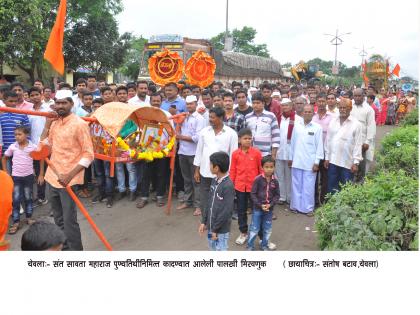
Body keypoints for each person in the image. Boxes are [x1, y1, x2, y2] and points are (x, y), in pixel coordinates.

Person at [40, 91, 94, 250]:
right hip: (52, 177)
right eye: (58, 103)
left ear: (72, 104)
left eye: (64, 103)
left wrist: (69, 175)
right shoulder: (55, 123)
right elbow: (43, 148)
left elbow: (88, 154)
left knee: (69, 220)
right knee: (58, 218)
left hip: (69, 180)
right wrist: (46, 125)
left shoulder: (79, 124)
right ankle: (64, 248)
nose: (60, 106)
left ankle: (76, 254)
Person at [193, 107, 238, 221]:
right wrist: (196, 170)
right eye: (210, 117)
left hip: (222, 174)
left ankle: (219, 222)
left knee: (220, 199)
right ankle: (205, 220)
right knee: (204, 198)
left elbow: (233, 155)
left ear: (221, 118)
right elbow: (199, 151)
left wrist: (231, 174)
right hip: (205, 172)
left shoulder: (231, 133)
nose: (210, 119)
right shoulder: (204, 131)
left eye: (213, 117)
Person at [136, 93, 173, 208]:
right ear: (150, 101)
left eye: (158, 101)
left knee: (161, 173)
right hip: (147, 149)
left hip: (161, 149)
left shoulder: (166, 115)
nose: (156, 102)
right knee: (145, 174)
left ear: (161, 101)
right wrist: (138, 143)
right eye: (154, 101)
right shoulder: (144, 114)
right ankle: (144, 197)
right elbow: (140, 129)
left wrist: (168, 146)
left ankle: (160, 196)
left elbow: (171, 131)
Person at [2, 126, 40, 234]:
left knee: (28, 197)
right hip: (16, 177)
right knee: (16, 199)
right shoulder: (13, 146)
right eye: (15, 135)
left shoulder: (32, 147)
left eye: (19, 134)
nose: (17, 137)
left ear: (26, 135)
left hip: (28, 176)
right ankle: (16, 222)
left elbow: (40, 157)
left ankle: (29, 218)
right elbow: (4, 158)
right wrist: (6, 173)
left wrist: (40, 173)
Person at [230, 128, 262, 245]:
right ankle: (243, 232)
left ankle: (259, 234)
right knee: (241, 211)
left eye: (249, 138)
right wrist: (231, 185)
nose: (248, 141)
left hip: (254, 188)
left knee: (257, 211)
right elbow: (233, 170)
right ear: (239, 140)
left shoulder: (256, 153)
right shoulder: (235, 154)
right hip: (240, 187)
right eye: (245, 138)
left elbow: (261, 170)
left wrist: (262, 186)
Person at [289, 105, 323, 216]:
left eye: (310, 112)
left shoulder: (317, 128)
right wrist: (291, 158)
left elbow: (319, 146)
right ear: (302, 113)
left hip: (310, 162)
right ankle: (295, 206)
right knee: (296, 185)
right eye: (305, 111)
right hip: (297, 161)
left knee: (308, 187)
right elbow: (292, 143)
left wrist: (317, 162)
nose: (307, 113)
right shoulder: (297, 126)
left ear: (313, 113)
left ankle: (308, 209)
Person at [324, 98, 363, 195]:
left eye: (345, 108)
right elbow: (328, 140)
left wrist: (356, 162)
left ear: (350, 109)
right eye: (340, 107)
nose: (342, 110)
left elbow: (358, 144)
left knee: (345, 189)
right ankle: (331, 208)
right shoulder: (333, 121)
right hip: (333, 161)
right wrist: (327, 158)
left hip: (347, 163)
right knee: (331, 187)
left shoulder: (356, 124)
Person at [198, 151, 234, 251]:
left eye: (210, 164)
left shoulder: (228, 186)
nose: (209, 166)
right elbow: (209, 203)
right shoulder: (214, 181)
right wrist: (204, 222)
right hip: (211, 228)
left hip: (220, 231)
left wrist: (215, 229)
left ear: (216, 168)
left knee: (220, 251)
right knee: (212, 249)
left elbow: (226, 212)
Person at [176, 95, 205, 215]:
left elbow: (197, 138)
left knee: (196, 180)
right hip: (182, 152)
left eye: (191, 104)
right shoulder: (184, 116)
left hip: (194, 154)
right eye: (187, 104)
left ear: (196, 104)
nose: (189, 106)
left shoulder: (200, 118)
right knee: (186, 179)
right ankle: (187, 202)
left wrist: (181, 137)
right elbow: (178, 130)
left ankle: (198, 205)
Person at [247, 155, 279, 251]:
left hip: (269, 210)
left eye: (271, 167)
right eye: (266, 167)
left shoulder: (275, 181)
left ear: (274, 167)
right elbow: (252, 194)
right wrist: (260, 205)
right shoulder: (257, 179)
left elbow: (277, 195)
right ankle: (250, 245)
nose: (269, 169)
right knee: (254, 228)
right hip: (257, 209)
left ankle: (264, 245)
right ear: (262, 167)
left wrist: (270, 204)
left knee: (267, 229)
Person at [276, 98, 302, 206]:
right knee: (279, 175)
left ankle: (290, 197)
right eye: (283, 105)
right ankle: (282, 196)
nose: (285, 107)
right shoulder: (277, 119)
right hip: (279, 151)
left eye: (287, 105)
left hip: (291, 152)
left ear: (291, 106)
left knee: (289, 176)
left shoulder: (298, 119)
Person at [28, 87, 49, 206]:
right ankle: (41, 196)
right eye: (32, 95)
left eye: (37, 94)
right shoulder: (28, 111)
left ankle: (43, 197)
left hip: (46, 144)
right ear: (30, 97)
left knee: (44, 171)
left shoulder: (46, 109)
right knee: (38, 171)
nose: (35, 97)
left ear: (41, 95)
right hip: (34, 146)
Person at [311, 93, 334, 205]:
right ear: (316, 102)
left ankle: (323, 200)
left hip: (326, 152)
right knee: (313, 178)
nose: (321, 103)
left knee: (325, 178)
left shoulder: (332, 117)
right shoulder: (312, 117)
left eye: (323, 101)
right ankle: (314, 200)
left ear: (326, 102)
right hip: (313, 152)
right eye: (319, 101)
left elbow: (332, 136)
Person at [0, 91, 31, 172]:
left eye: (15, 101)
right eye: (10, 101)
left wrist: (26, 148)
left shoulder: (22, 114)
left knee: (19, 175)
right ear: (4, 101)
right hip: (5, 152)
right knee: (7, 176)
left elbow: (28, 132)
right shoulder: (0, 115)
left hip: (20, 151)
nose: (13, 103)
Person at [351, 88, 376, 182]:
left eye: (359, 96)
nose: (357, 98)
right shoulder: (350, 105)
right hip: (350, 140)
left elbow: (371, 127)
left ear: (363, 96)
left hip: (362, 143)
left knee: (361, 167)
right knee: (350, 165)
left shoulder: (369, 110)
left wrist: (367, 142)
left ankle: (360, 186)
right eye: (355, 96)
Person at [245, 92, 280, 157]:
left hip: (266, 153)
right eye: (253, 103)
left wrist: (274, 153)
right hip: (249, 152)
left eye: (258, 103)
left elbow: (276, 135)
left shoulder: (271, 116)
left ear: (263, 103)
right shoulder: (248, 117)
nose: (255, 105)